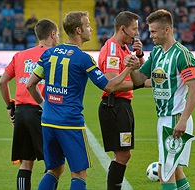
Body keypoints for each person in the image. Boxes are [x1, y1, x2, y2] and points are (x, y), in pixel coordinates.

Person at [26, 11, 137, 190]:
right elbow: (109, 86)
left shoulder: (49, 53)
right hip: (70, 122)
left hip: (47, 121)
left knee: (54, 169)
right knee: (79, 174)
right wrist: (128, 69)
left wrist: (44, 105)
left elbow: (30, 85)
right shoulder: (83, 59)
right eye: (87, 25)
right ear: (78, 30)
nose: (91, 28)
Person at [126, 9, 195, 190]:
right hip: (164, 118)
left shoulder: (182, 54)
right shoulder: (157, 53)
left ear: (167, 30)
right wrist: (133, 66)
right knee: (175, 172)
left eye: (153, 31)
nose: (150, 35)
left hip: (175, 118)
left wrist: (182, 120)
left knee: (164, 173)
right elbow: (139, 81)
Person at [0, 19, 59, 190]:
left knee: (25, 163)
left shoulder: (20, 55)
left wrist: (10, 106)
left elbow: (2, 83)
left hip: (21, 111)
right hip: (42, 110)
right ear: (52, 34)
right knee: (53, 165)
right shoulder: (54, 55)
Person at [97, 11, 150, 190]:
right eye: (134, 29)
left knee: (123, 155)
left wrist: (140, 53)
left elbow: (141, 74)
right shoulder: (112, 50)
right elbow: (111, 84)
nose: (137, 33)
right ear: (122, 28)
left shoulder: (124, 48)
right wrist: (140, 85)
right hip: (114, 106)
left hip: (123, 106)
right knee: (122, 155)